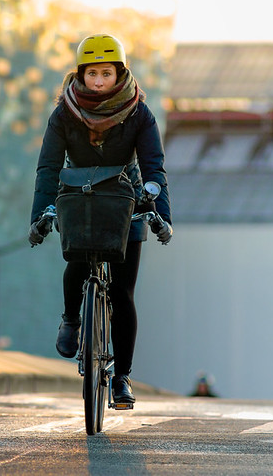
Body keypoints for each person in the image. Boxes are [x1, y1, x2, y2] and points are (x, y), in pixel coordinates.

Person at [28, 33, 172, 405]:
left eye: (106, 74)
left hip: (127, 200)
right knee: (77, 261)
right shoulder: (64, 113)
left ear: (119, 73)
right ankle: (72, 320)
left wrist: (161, 214)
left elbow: (154, 168)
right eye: (92, 74)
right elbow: (48, 168)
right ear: (81, 74)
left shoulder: (140, 112)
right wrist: (40, 215)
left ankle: (122, 378)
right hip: (80, 197)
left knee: (123, 292)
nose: (98, 82)